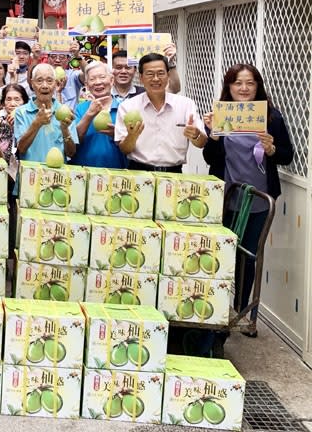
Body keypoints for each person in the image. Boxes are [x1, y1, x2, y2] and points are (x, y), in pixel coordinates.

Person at [203, 64, 293, 335]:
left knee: (249, 256)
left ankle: (242, 314)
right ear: (229, 87)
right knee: (223, 254)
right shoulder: (222, 114)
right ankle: (218, 312)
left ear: (258, 86)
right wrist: (214, 138)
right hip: (227, 195)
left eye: (250, 83)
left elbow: (287, 155)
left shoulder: (270, 117)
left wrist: (272, 148)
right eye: (237, 83)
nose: (243, 88)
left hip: (258, 199)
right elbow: (211, 158)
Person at [115, 53, 207, 171]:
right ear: (141, 77)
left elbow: (202, 143)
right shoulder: (127, 106)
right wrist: (132, 136)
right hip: (139, 172)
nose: (156, 79)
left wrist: (196, 135)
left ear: (168, 75)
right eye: (150, 74)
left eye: (160, 73)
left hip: (174, 173)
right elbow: (124, 149)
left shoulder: (185, 104)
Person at [15, 63, 78, 163]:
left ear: (56, 84)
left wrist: (65, 130)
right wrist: (37, 123)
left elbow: (71, 153)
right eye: (39, 80)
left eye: (49, 81)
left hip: (56, 175)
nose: (45, 86)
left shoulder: (65, 112)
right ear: (32, 83)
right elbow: (21, 149)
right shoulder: (21, 112)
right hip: (30, 175)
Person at [71, 61, 125, 168]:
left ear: (111, 80)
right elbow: (73, 142)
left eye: (102, 77)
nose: (98, 82)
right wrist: (89, 115)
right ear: (86, 85)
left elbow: (133, 145)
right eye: (92, 79)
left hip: (116, 174)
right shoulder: (81, 108)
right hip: (83, 173)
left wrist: (117, 134)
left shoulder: (124, 108)